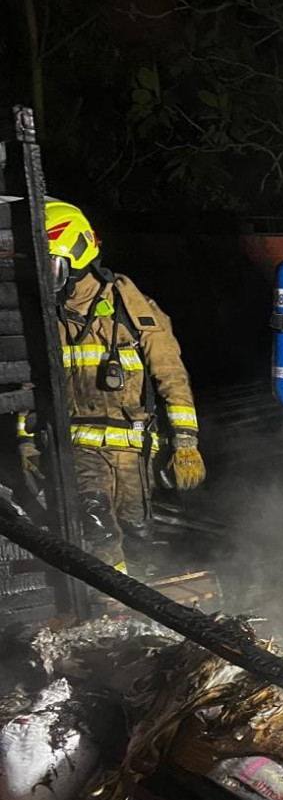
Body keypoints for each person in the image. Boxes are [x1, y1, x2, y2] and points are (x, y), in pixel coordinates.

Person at [18, 200, 205, 575]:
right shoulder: (47, 320)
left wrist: (185, 442)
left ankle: (142, 601)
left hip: (135, 449)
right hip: (80, 446)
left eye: (51, 265)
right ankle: (112, 610)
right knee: (96, 523)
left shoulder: (133, 310)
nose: (45, 277)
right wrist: (26, 440)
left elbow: (171, 374)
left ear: (76, 255)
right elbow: (31, 381)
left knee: (137, 533)